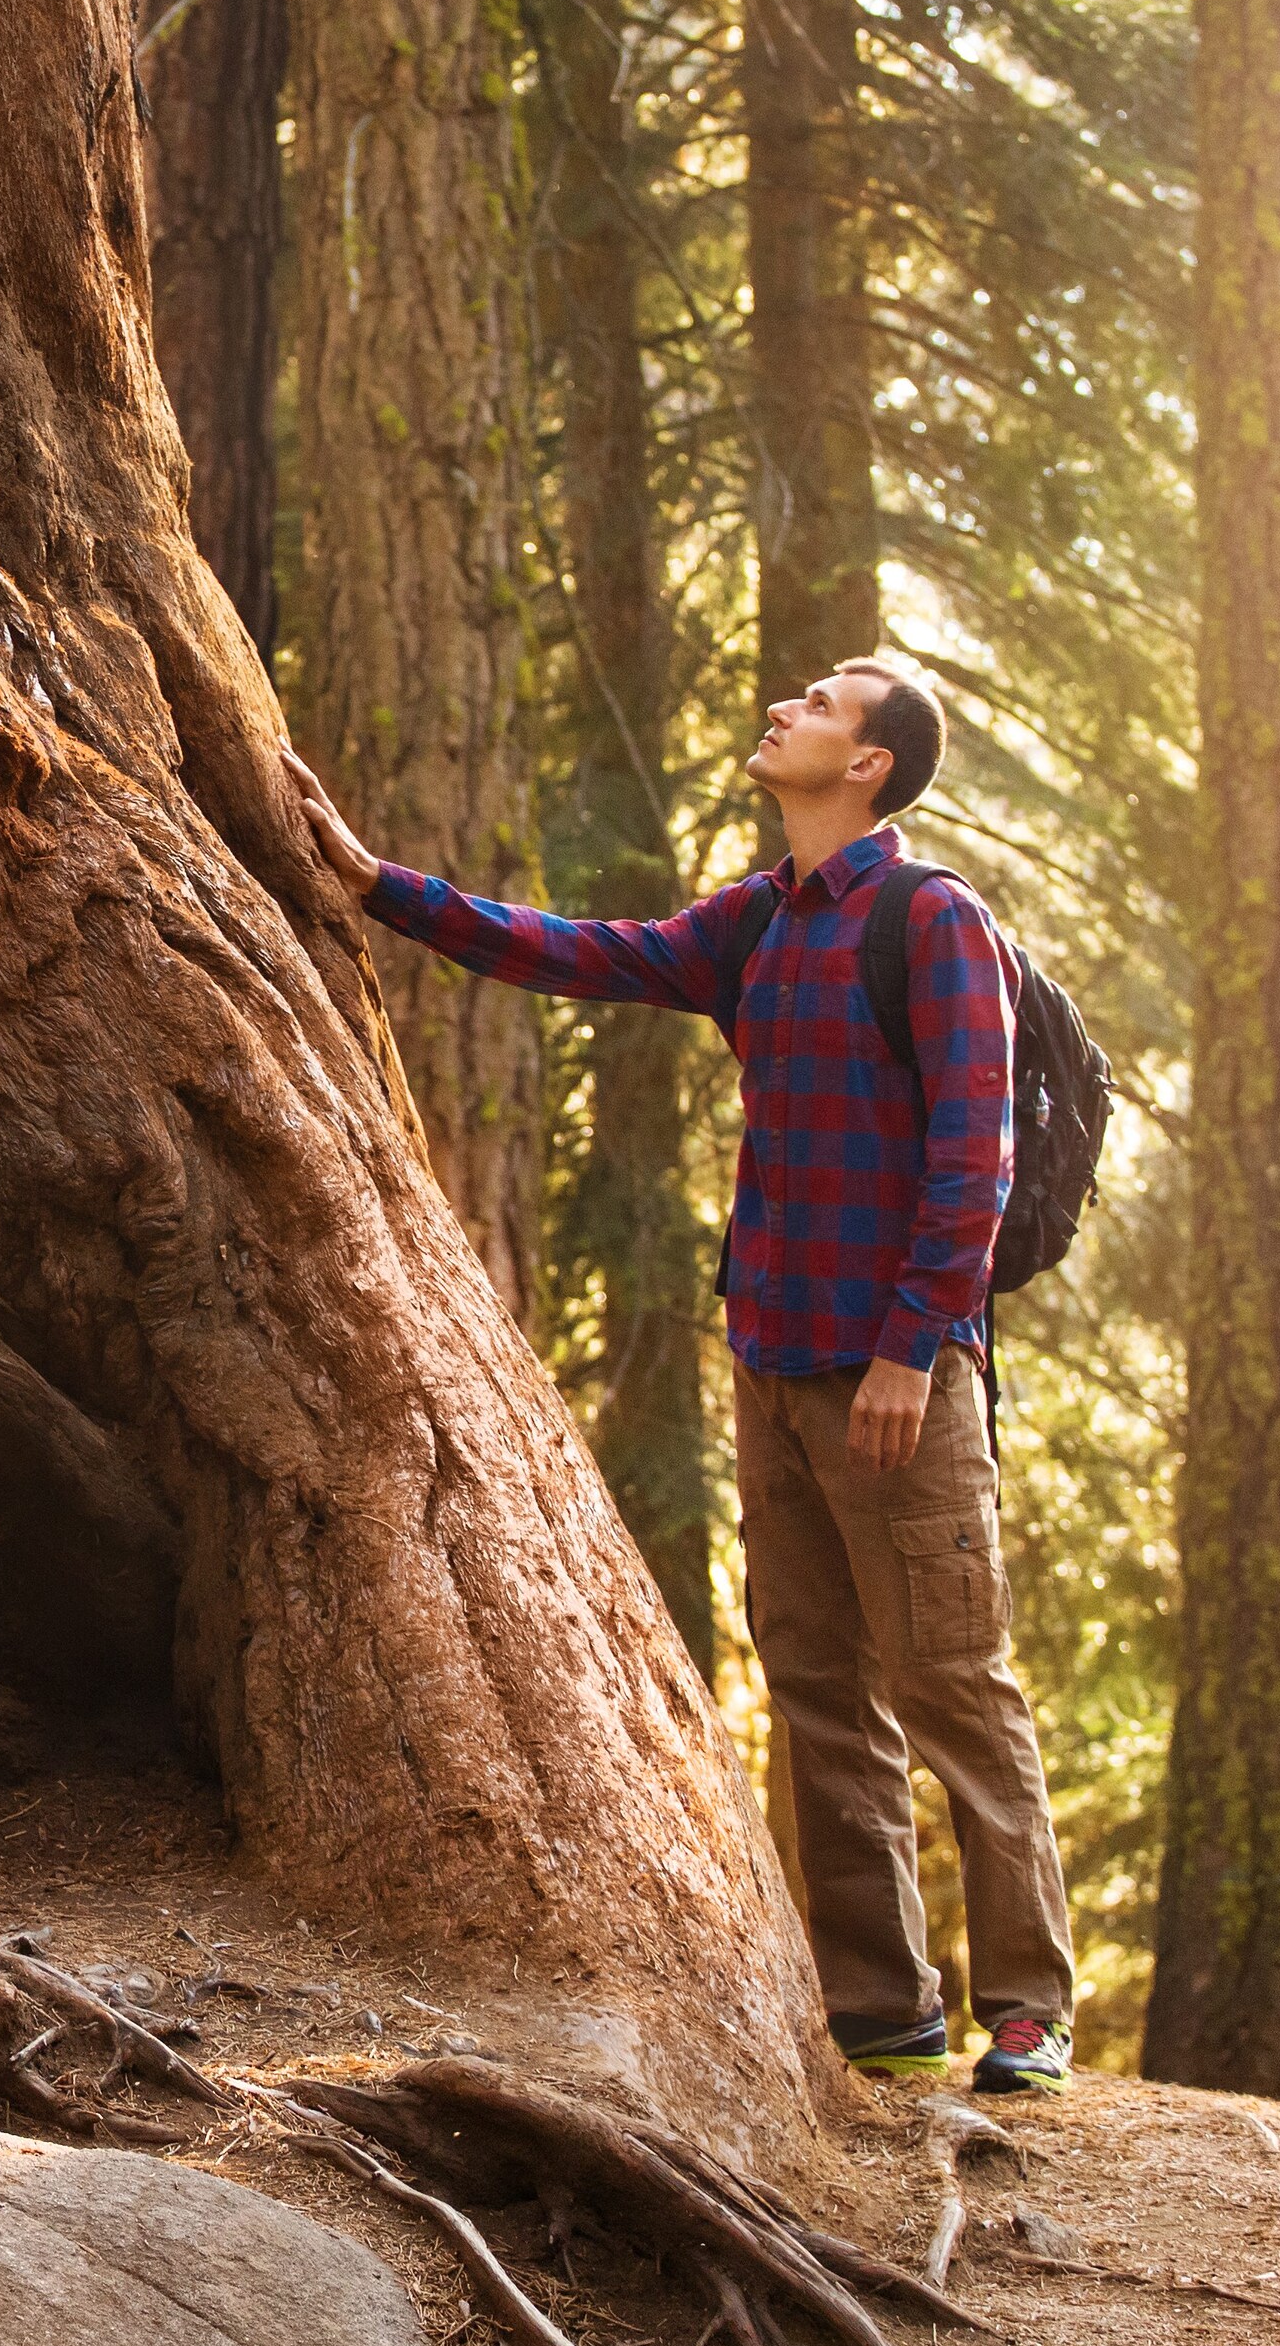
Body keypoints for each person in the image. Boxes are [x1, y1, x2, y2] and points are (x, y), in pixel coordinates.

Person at [278, 657, 1078, 2098]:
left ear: (871, 765)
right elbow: (587, 951)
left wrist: (910, 1347)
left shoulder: (933, 919)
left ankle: (1027, 2009)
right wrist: (377, 883)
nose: (790, 705)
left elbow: (977, 1154)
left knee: (955, 1683)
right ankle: (881, 2010)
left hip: (901, 1373)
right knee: (821, 1686)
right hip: (772, 1359)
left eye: (827, 702)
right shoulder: (761, 921)